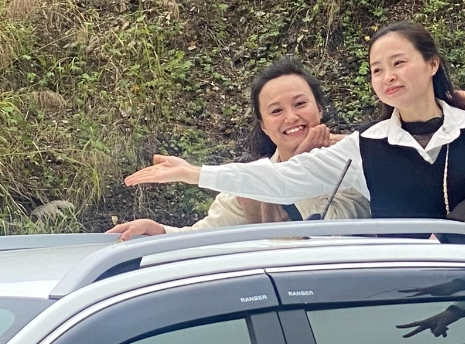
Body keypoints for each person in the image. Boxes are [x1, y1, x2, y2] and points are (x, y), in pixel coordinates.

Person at [124, 22, 465, 222]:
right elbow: (280, 178)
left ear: (432, 64)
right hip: (401, 286)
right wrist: (194, 173)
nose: (387, 76)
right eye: (377, 69)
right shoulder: (365, 147)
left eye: (398, 63)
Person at [109, 56, 369, 239]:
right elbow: (206, 237)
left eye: (300, 104)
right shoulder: (248, 186)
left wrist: (300, 166)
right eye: (276, 111)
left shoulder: (358, 155)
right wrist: (158, 231)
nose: (291, 117)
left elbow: (335, 229)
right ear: (264, 126)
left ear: (319, 109)